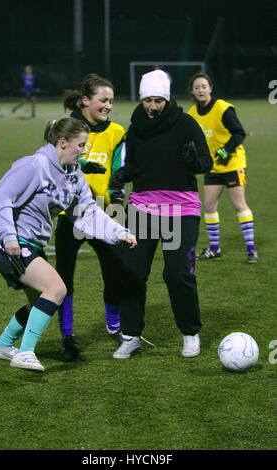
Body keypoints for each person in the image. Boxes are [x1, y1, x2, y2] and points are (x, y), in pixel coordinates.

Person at [0, 117, 136, 372]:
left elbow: (87, 213)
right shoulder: (36, 165)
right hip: (11, 244)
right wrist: (8, 236)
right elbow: (1, 197)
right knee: (57, 288)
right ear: (63, 142)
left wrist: (118, 232)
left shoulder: (74, 175)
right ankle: (25, 352)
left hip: (32, 245)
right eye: (81, 145)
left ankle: (2, 344)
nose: (84, 150)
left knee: (38, 303)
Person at [111, 69, 213, 360]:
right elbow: (136, 165)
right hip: (143, 207)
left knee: (177, 274)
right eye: (148, 100)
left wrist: (194, 161)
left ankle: (190, 332)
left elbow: (205, 163)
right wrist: (121, 176)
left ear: (167, 99)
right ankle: (131, 336)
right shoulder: (136, 127)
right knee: (132, 272)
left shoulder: (185, 124)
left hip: (181, 209)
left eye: (158, 100)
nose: (152, 106)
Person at [55, 73, 126, 361]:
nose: (108, 105)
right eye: (103, 100)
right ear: (85, 101)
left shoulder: (118, 131)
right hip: (70, 213)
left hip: (104, 212)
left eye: (111, 100)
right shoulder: (66, 128)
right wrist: (85, 164)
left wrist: (117, 189)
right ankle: (67, 336)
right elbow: (57, 160)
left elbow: (120, 166)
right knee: (64, 278)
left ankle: (114, 326)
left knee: (115, 271)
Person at [188, 72, 258, 263]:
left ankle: (251, 249)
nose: (200, 90)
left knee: (238, 204)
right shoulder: (192, 113)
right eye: (197, 87)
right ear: (192, 92)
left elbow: (239, 133)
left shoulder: (223, 108)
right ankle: (214, 248)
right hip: (213, 166)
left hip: (233, 163)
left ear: (210, 88)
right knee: (209, 205)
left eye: (204, 86)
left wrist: (225, 151)